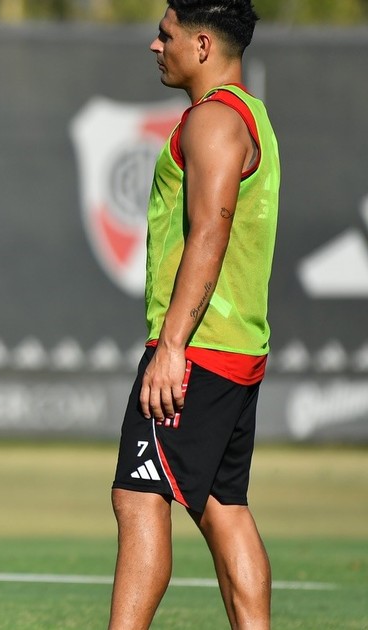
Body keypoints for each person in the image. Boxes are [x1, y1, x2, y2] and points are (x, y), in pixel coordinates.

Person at [109, 1, 279, 628]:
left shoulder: (212, 120)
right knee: (222, 505)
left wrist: (171, 346)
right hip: (235, 347)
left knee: (138, 497)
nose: (156, 46)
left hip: (198, 349)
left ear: (203, 45)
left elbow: (211, 229)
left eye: (167, 35)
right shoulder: (250, 115)